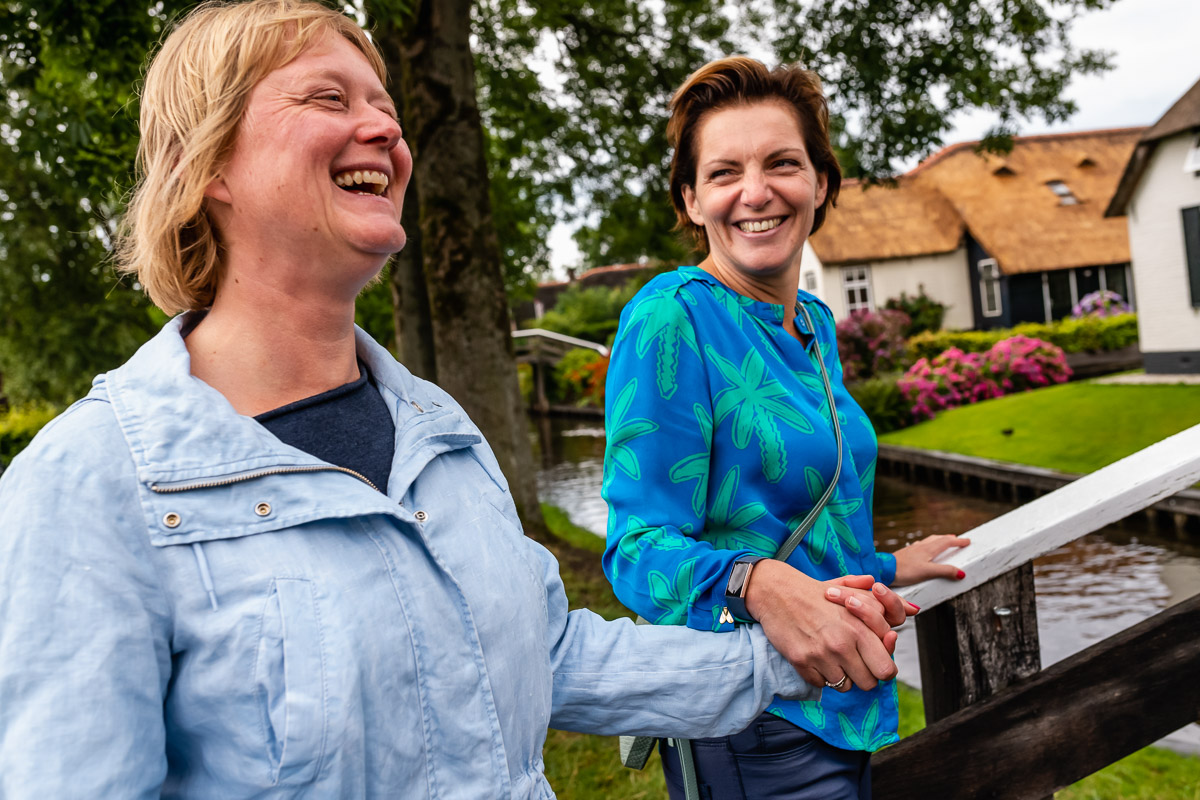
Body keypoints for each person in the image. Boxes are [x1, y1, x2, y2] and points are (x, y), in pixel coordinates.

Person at [0, 8, 909, 797]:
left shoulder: (439, 433)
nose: (385, 132)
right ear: (209, 163)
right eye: (330, 99)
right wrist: (761, 596)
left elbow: (550, 657)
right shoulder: (88, 491)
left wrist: (793, 652)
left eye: (386, 108)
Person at [601, 56, 970, 800]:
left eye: (782, 164)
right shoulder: (674, 319)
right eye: (724, 172)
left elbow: (793, 520)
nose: (756, 192)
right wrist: (757, 583)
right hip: (756, 719)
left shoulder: (814, 324)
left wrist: (893, 565)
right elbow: (636, 552)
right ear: (692, 198)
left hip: (846, 701)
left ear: (821, 184)